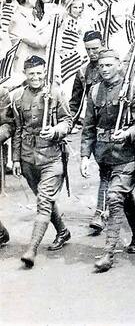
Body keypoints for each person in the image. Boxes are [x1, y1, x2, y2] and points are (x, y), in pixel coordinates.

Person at [81, 47, 135, 272]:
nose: (105, 69)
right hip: (104, 155)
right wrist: (84, 156)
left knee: (115, 197)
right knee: (124, 195)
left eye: (109, 65)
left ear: (120, 65)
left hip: (127, 154)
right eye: (101, 66)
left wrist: (127, 133)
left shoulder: (133, 90)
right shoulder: (94, 91)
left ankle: (108, 252)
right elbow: (88, 127)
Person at [2, 55, 72, 267]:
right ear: (25, 74)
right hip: (27, 159)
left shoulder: (55, 93)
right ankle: (63, 231)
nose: (36, 77)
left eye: (40, 73)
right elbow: (18, 129)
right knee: (45, 200)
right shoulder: (17, 97)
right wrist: (15, 160)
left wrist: (56, 130)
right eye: (31, 73)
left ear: (45, 73)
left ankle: (31, 249)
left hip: (52, 157)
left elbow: (67, 121)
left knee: (43, 201)